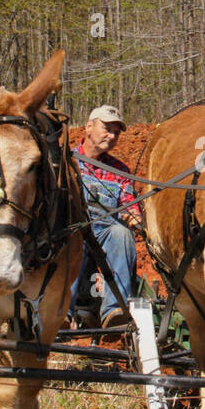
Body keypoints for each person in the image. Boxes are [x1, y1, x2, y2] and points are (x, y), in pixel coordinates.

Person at [70, 105, 140, 328]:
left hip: (105, 230)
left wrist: (134, 217)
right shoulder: (67, 161)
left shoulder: (121, 170)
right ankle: (63, 310)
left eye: (116, 133)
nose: (112, 136)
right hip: (73, 228)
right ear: (89, 126)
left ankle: (114, 310)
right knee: (71, 235)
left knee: (121, 233)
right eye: (107, 128)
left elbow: (128, 203)